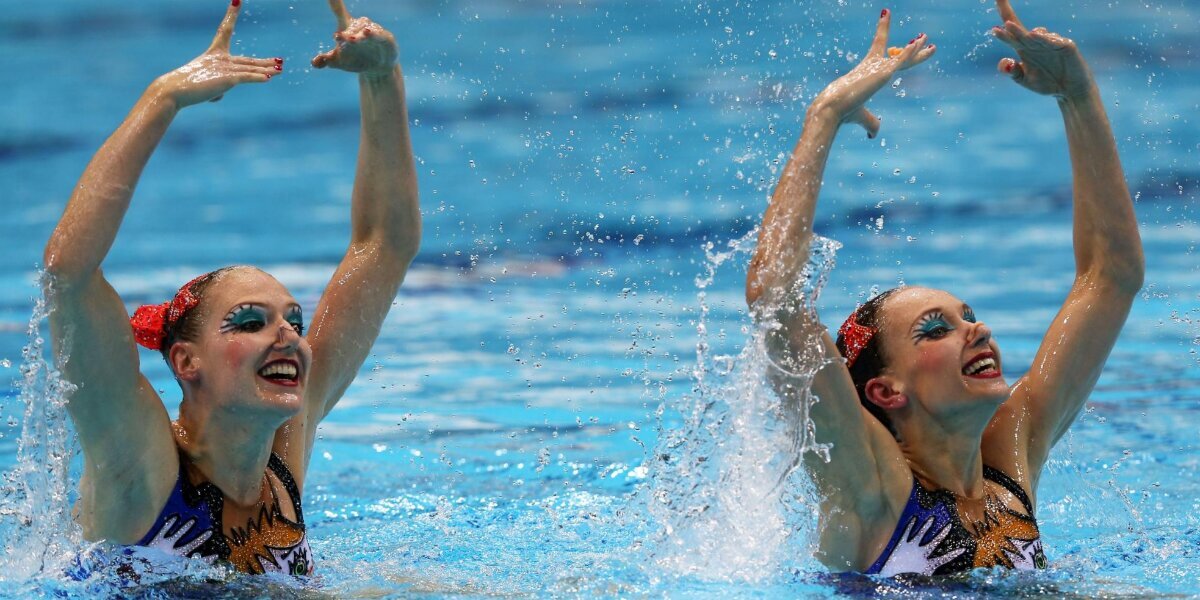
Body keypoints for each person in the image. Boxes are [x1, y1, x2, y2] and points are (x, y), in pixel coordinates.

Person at [744, 0, 1143, 576]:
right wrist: (826, 114)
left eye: (967, 315)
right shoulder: (869, 487)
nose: (977, 328)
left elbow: (1112, 277)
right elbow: (774, 301)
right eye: (936, 329)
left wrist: (1077, 98)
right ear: (885, 392)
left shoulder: (1011, 461)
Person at [41, 0, 419, 576]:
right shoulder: (139, 466)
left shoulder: (283, 451)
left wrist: (381, 77)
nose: (288, 336)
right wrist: (163, 98)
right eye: (250, 321)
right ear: (186, 360)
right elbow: (68, 274)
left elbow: (384, 246)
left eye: (292, 318)